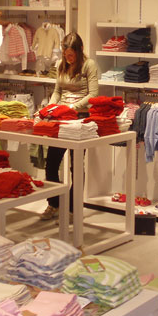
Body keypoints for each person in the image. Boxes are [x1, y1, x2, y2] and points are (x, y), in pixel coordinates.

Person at [40, 32, 99, 220]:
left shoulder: (89, 65)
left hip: (80, 119)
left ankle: (73, 209)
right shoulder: (61, 64)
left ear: (80, 50)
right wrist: (50, 108)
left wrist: (73, 107)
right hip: (61, 118)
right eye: (66, 55)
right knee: (51, 163)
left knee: (76, 165)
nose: (68, 58)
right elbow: (57, 91)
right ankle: (54, 204)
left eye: (71, 55)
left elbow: (93, 94)